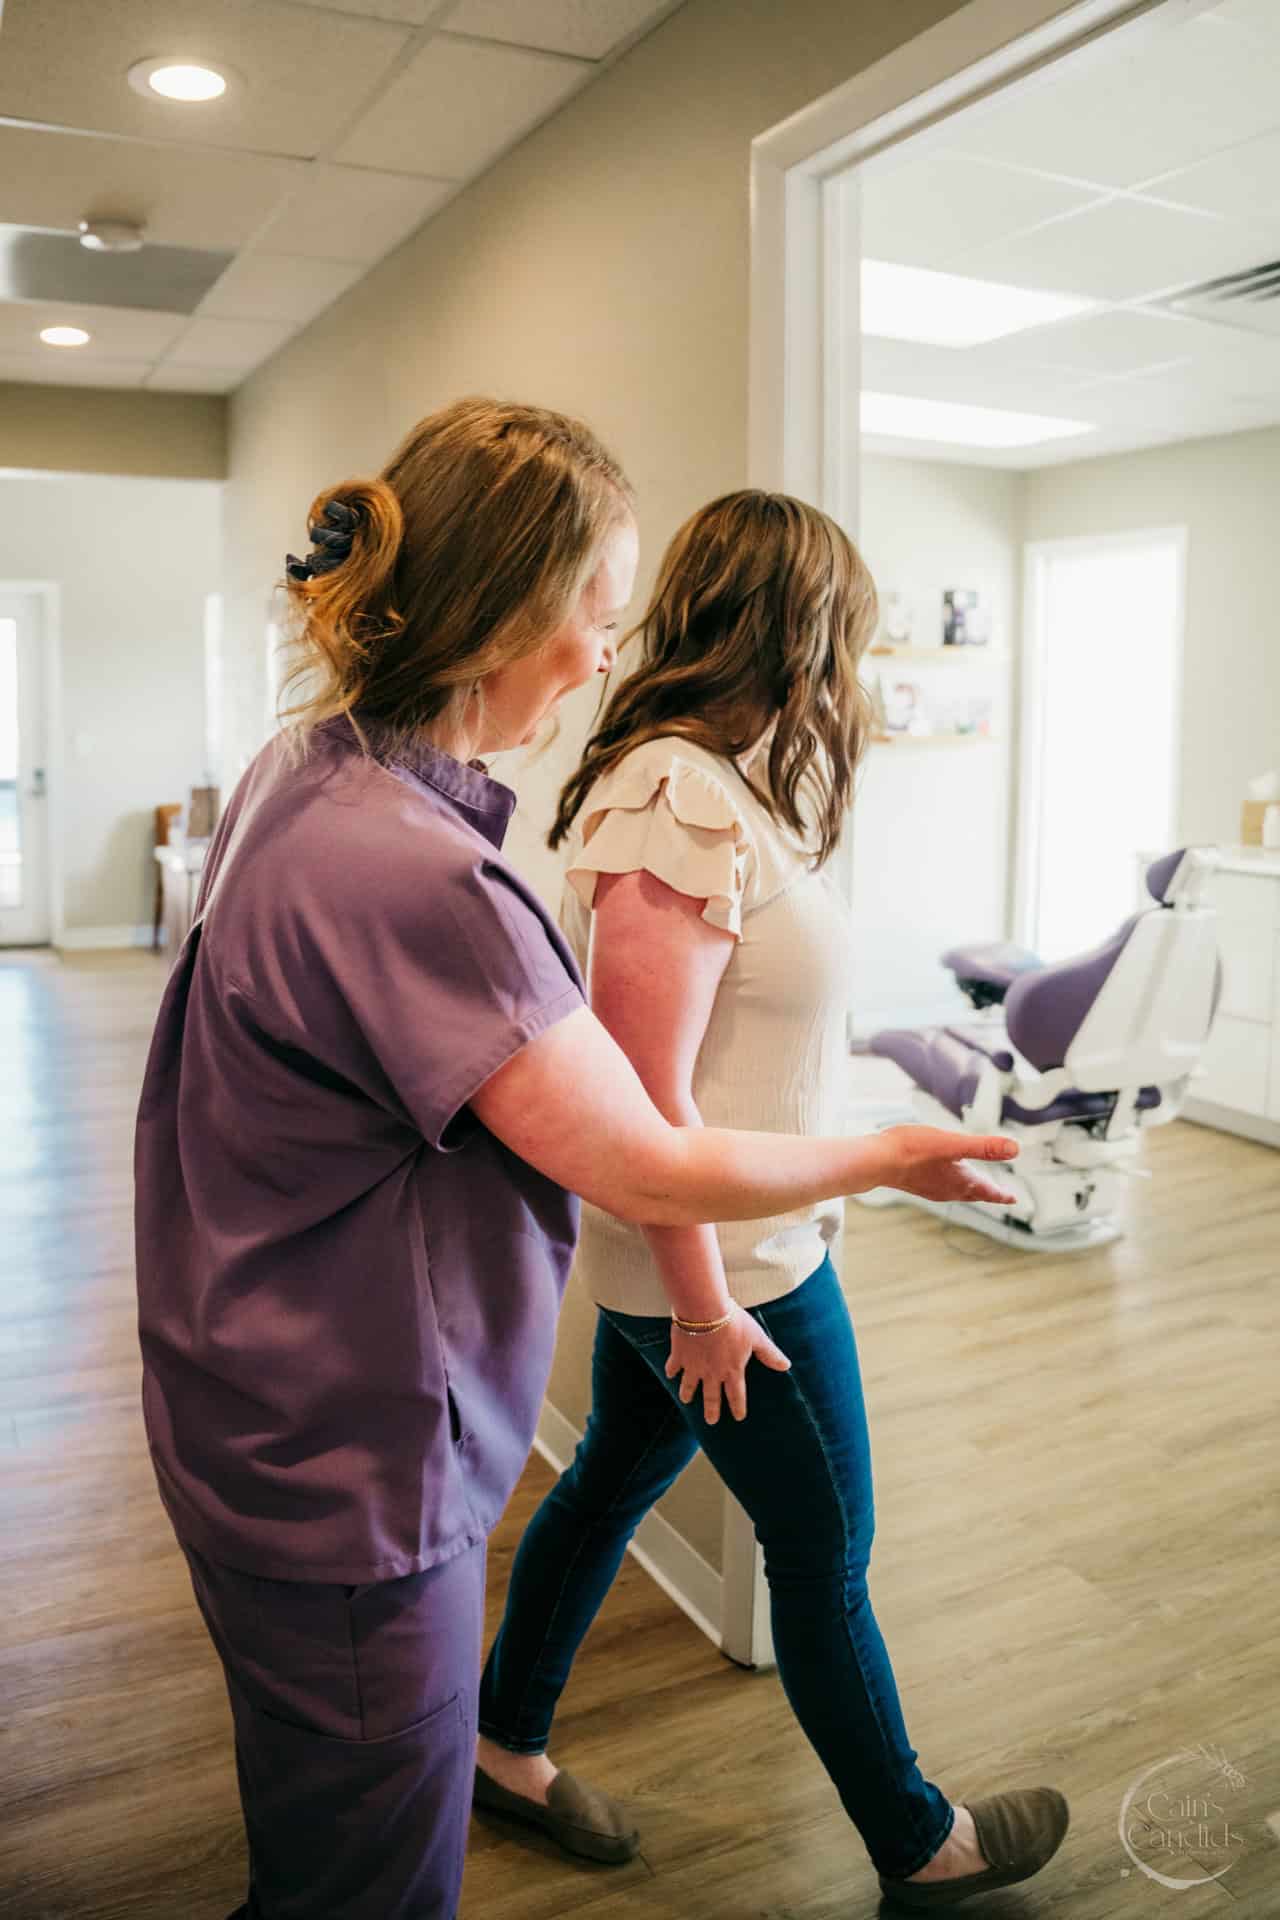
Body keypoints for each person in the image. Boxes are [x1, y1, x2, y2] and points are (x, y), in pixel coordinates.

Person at [134, 402, 1025, 1920]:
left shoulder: (309, 766)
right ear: (501, 618)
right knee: (365, 1880)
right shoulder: (410, 870)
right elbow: (640, 1154)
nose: (609, 652)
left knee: (327, 1818)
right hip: (344, 1464)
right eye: (595, 617)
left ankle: (509, 1740)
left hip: (261, 1407)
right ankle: (908, 1842)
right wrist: (883, 1151)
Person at [473, 490, 1070, 1912]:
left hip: (707, 1255)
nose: (850, 673)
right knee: (824, 1553)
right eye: (843, 639)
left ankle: (499, 1740)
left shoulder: (708, 785)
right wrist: (708, 1306)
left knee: (611, 1475)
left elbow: (738, 1060)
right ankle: (922, 1843)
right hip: (731, 1272)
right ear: (793, 628)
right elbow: (644, 1096)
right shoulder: (675, 791)